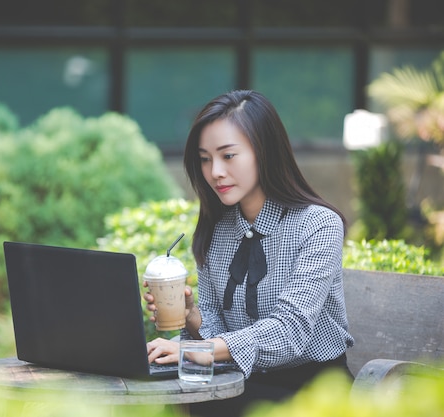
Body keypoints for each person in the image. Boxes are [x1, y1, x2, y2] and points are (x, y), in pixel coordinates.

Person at [144, 90, 354, 417]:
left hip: (314, 391)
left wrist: (199, 350)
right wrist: (191, 318)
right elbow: (217, 326)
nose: (214, 172)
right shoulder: (217, 229)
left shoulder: (318, 224)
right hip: (240, 383)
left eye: (228, 156)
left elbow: (291, 328)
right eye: (204, 158)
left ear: (264, 153)